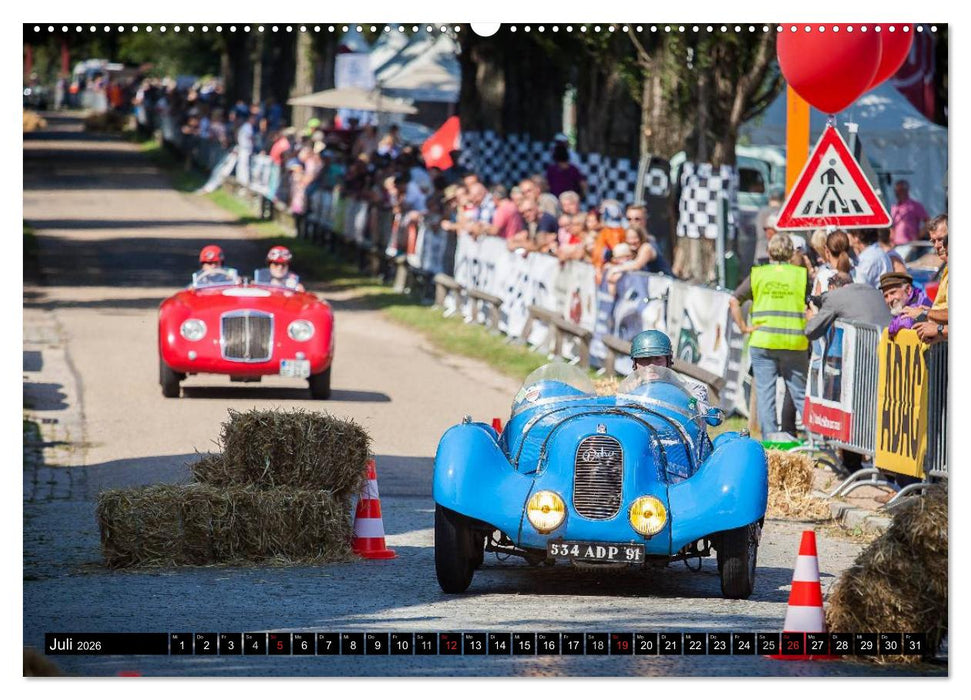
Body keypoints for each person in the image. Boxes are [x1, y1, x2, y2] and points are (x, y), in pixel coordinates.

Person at [728, 233, 808, 439]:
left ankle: (770, 441)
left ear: (769, 251)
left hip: (763, 340)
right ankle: (816, 439)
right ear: (791, 252)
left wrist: (744, 327)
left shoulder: (758, 274)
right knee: (800, 393)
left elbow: (734, 300)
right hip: (794, 341)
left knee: (765, 393)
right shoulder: (801, 275)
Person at [628, 330, 711, 412]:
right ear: (635, 364)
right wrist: (628, 396)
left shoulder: (693, 392)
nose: (651, 366)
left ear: (668, 361)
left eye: (658, 359)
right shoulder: (627, 390)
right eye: (644, 359)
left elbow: (699, 417)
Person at [804, 272, 892, 341]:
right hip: (888, 350)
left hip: (864, 356)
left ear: (831, 287)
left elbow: (810, 331)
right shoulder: (874, 291)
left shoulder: (835, 296)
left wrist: (814, 315)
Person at [905, 214, 948, 343]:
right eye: (933, 241)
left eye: (941, 239)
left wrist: (925, 313)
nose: (937, 245)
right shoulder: (946, 268)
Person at [881, 272, 932, 339]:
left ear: (908, 290)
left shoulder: (922, 300)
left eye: (893, 293)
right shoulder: (902, 306)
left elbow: (908, 323)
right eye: (886, 296)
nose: (889, 299)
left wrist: (892, 328)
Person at [890, 180, 929, 245]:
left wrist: (918, 236)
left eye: (901, 191)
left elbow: (928, 222)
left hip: (910, 244)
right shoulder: (894, 207)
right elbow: (892, 226)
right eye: (896, 191)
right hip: (896, 244)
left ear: (906, 191)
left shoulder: (914, 206)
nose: (898, 193)